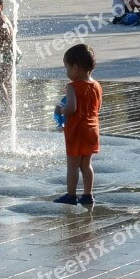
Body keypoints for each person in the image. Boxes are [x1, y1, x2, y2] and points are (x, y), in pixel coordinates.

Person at [53, 44, 102, 205]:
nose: (66, 72)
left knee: (73, 165)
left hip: (77, 131)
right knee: (86, 164)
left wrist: (60, 110)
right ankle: (88, 195)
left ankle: (71, 195)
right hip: (92, 129)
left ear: (75, 68)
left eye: (66, 68)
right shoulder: (96, 86)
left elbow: (71, 109)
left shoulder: (72, 87)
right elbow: (97, 107)